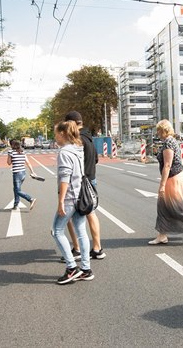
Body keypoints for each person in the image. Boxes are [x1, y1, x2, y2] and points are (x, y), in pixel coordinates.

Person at [51, 120, 94, 284]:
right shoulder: (78, 149)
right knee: (81, 232)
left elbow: (64, 178)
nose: (55, 137)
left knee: (56, 231)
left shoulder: (64, 153)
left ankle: (71, 268)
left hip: (69, 198)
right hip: (80, 197)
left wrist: (60, 201)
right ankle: (85, 269)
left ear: (62, 134)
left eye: (56, 133)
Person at [63, 111, 106, 261]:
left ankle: (77, 248)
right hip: (91, 180)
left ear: (71, 123)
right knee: (90, 213)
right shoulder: (90, 138)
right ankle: (97, 248)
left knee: (67, 215)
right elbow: (95, 160)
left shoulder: (77, 140)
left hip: (79, 182)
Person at [7, 140, 37, 211]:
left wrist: (10, 157)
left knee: (17, 190)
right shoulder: (23, 152)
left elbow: (8, 163)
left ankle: (30, 199)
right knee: (16, 189)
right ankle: (16, 204)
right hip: (23, 173)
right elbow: (28, 163)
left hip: (17, 173)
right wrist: (32, 172)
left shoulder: (11, 152)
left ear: (12, 145)